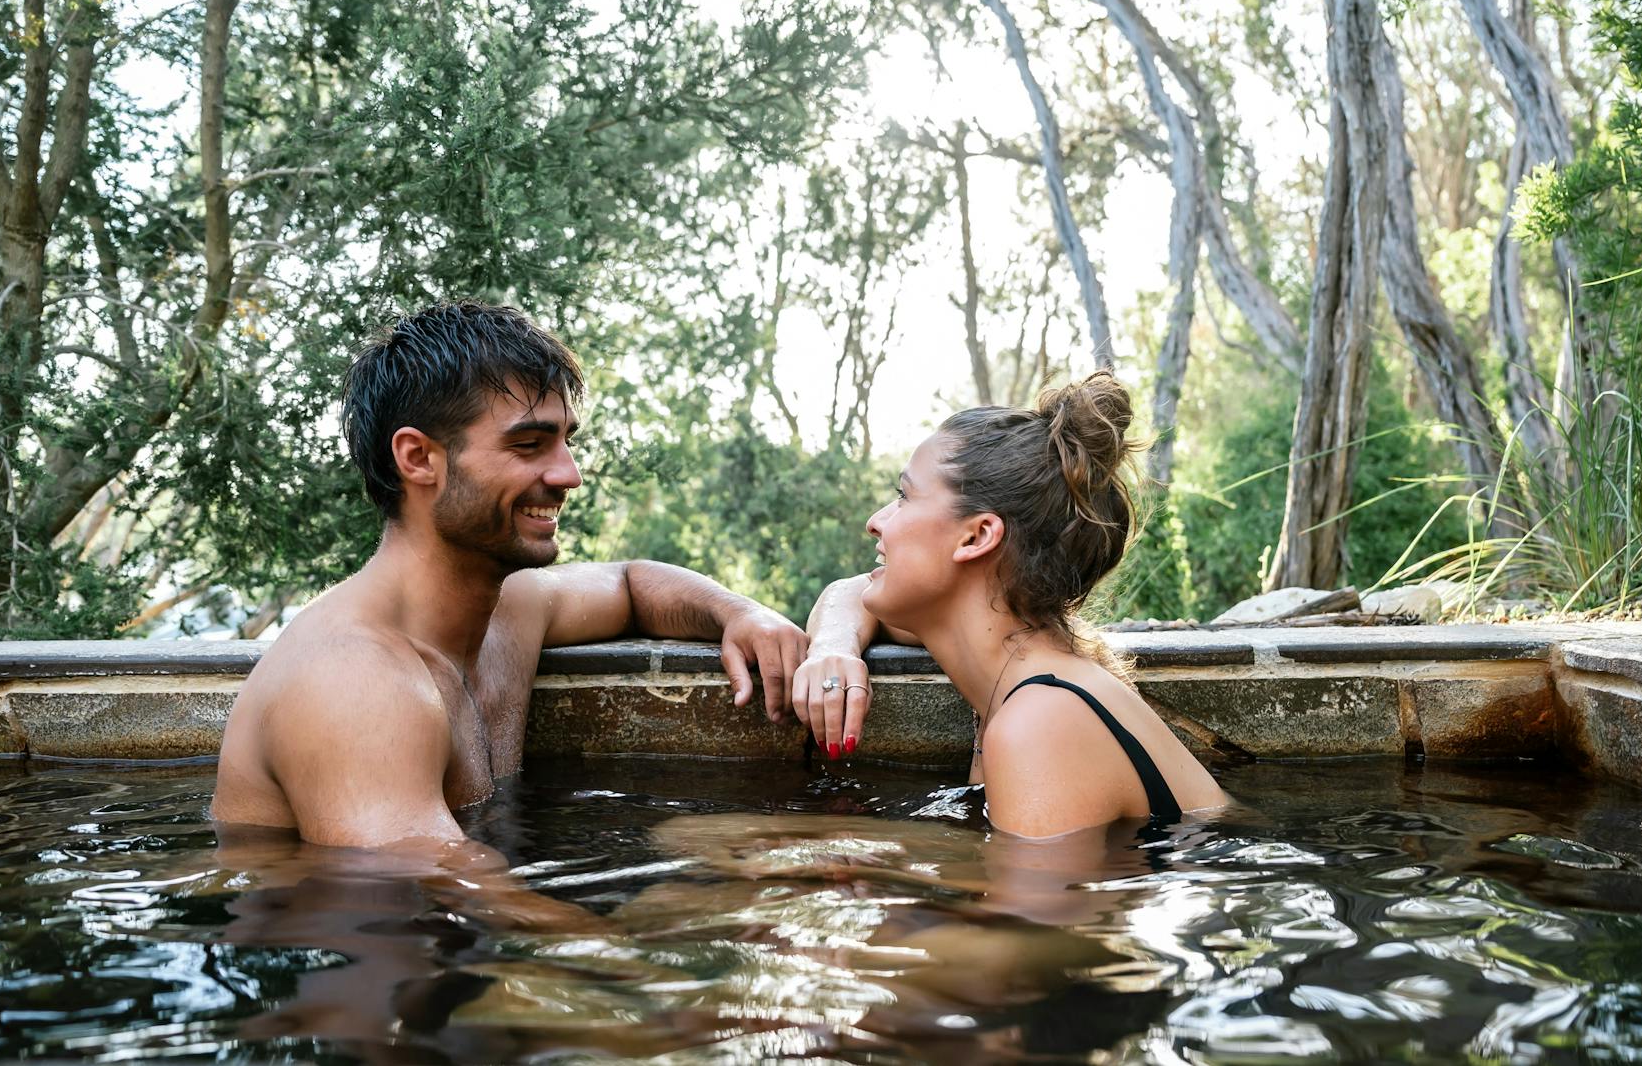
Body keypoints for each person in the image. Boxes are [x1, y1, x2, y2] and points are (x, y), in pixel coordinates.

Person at [212, 300, 809, 852]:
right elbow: (419, 891)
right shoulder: (352, 678)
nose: (570, 476)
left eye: (566, 442)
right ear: (418, 459)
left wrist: (739, 612)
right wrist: (646, 945)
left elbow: (630, 583)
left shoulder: (510, 609)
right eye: (529, 444)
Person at [793, 371, 1225, 837]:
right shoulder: (1033, 669)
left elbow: (1023, 913)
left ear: (977, 536)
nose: (875, 522)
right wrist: (832, 648)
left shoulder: (1040, 724)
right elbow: (852, 592)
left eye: (904, 497)